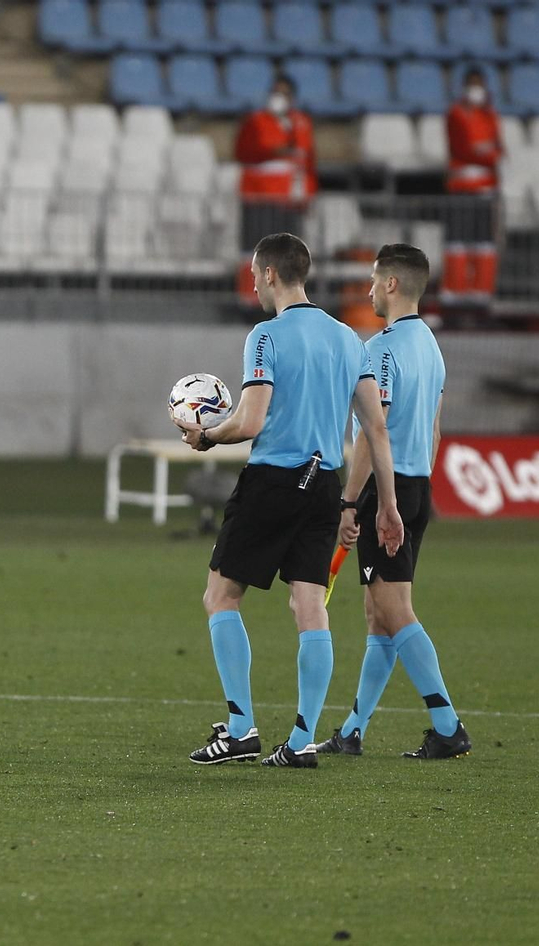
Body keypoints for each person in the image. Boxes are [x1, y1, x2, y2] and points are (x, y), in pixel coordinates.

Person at [179, 232, 403, 769]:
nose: (254, 284)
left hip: (275, 480)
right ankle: (301, 740)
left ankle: (239, 730)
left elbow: (251, 421)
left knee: (220, 596)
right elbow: (376, 427)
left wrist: (206, 435)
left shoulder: (266, 336)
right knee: (310, 607)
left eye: (256, 275)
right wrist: (383, 505)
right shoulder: (350, 338)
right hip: (324, 485)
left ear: (271, 274)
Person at [313, 244, 471, 760]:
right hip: (417, 484)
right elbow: (434, 428)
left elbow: (371, 431)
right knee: (377, 614)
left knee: (393, 609)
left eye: (374, 281)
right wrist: (414, 487)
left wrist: (351, 501)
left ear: (393, 286)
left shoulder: (380, 349)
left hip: (389, 489)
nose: (368, 290)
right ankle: (354, 730)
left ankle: (447, 725)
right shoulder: (431, 347)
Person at [235, 77, 317, 267]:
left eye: (283, 93)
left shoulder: (302, 124)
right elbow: (243, 153)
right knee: (255, 252)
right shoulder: (255, 122)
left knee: (287, 253)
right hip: (258, 199)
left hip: (290, 201)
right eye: (275, 92)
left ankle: (286, 296)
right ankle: (250, 296)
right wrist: (273, 152)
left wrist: (309, 195)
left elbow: (308, 162)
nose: (278, 97)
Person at [444, 67, 503, 305]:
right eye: (472, 84)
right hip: (461, 189)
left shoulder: (490, 115)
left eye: (480, 84)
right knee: (458, 241)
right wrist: (485, 152)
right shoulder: (456, 114)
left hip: (486, 190)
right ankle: (455, 293)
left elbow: (498, 149)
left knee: (484, 243)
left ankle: (481, 293)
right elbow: (463, 148)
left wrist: (485, 151)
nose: (476, 90)